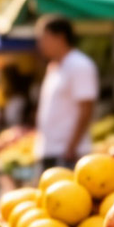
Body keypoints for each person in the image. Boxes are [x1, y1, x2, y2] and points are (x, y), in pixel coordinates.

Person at [34, 15, 99, 169]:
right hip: (50, 150)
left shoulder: (79, 65)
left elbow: (86, 108)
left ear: (60, 37)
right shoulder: (54, 67)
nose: (40, 44)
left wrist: (71, 147)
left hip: (68, 154)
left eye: (44, 38)